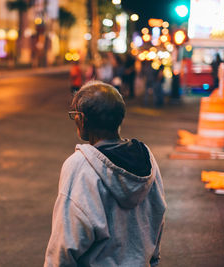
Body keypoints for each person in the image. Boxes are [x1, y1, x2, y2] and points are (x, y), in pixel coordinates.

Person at [44, 81, 166, 267]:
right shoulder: (146, 157)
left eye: (75, 115)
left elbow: (66, 242)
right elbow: (158, 213)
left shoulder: (80, 165)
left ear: (83, 119)